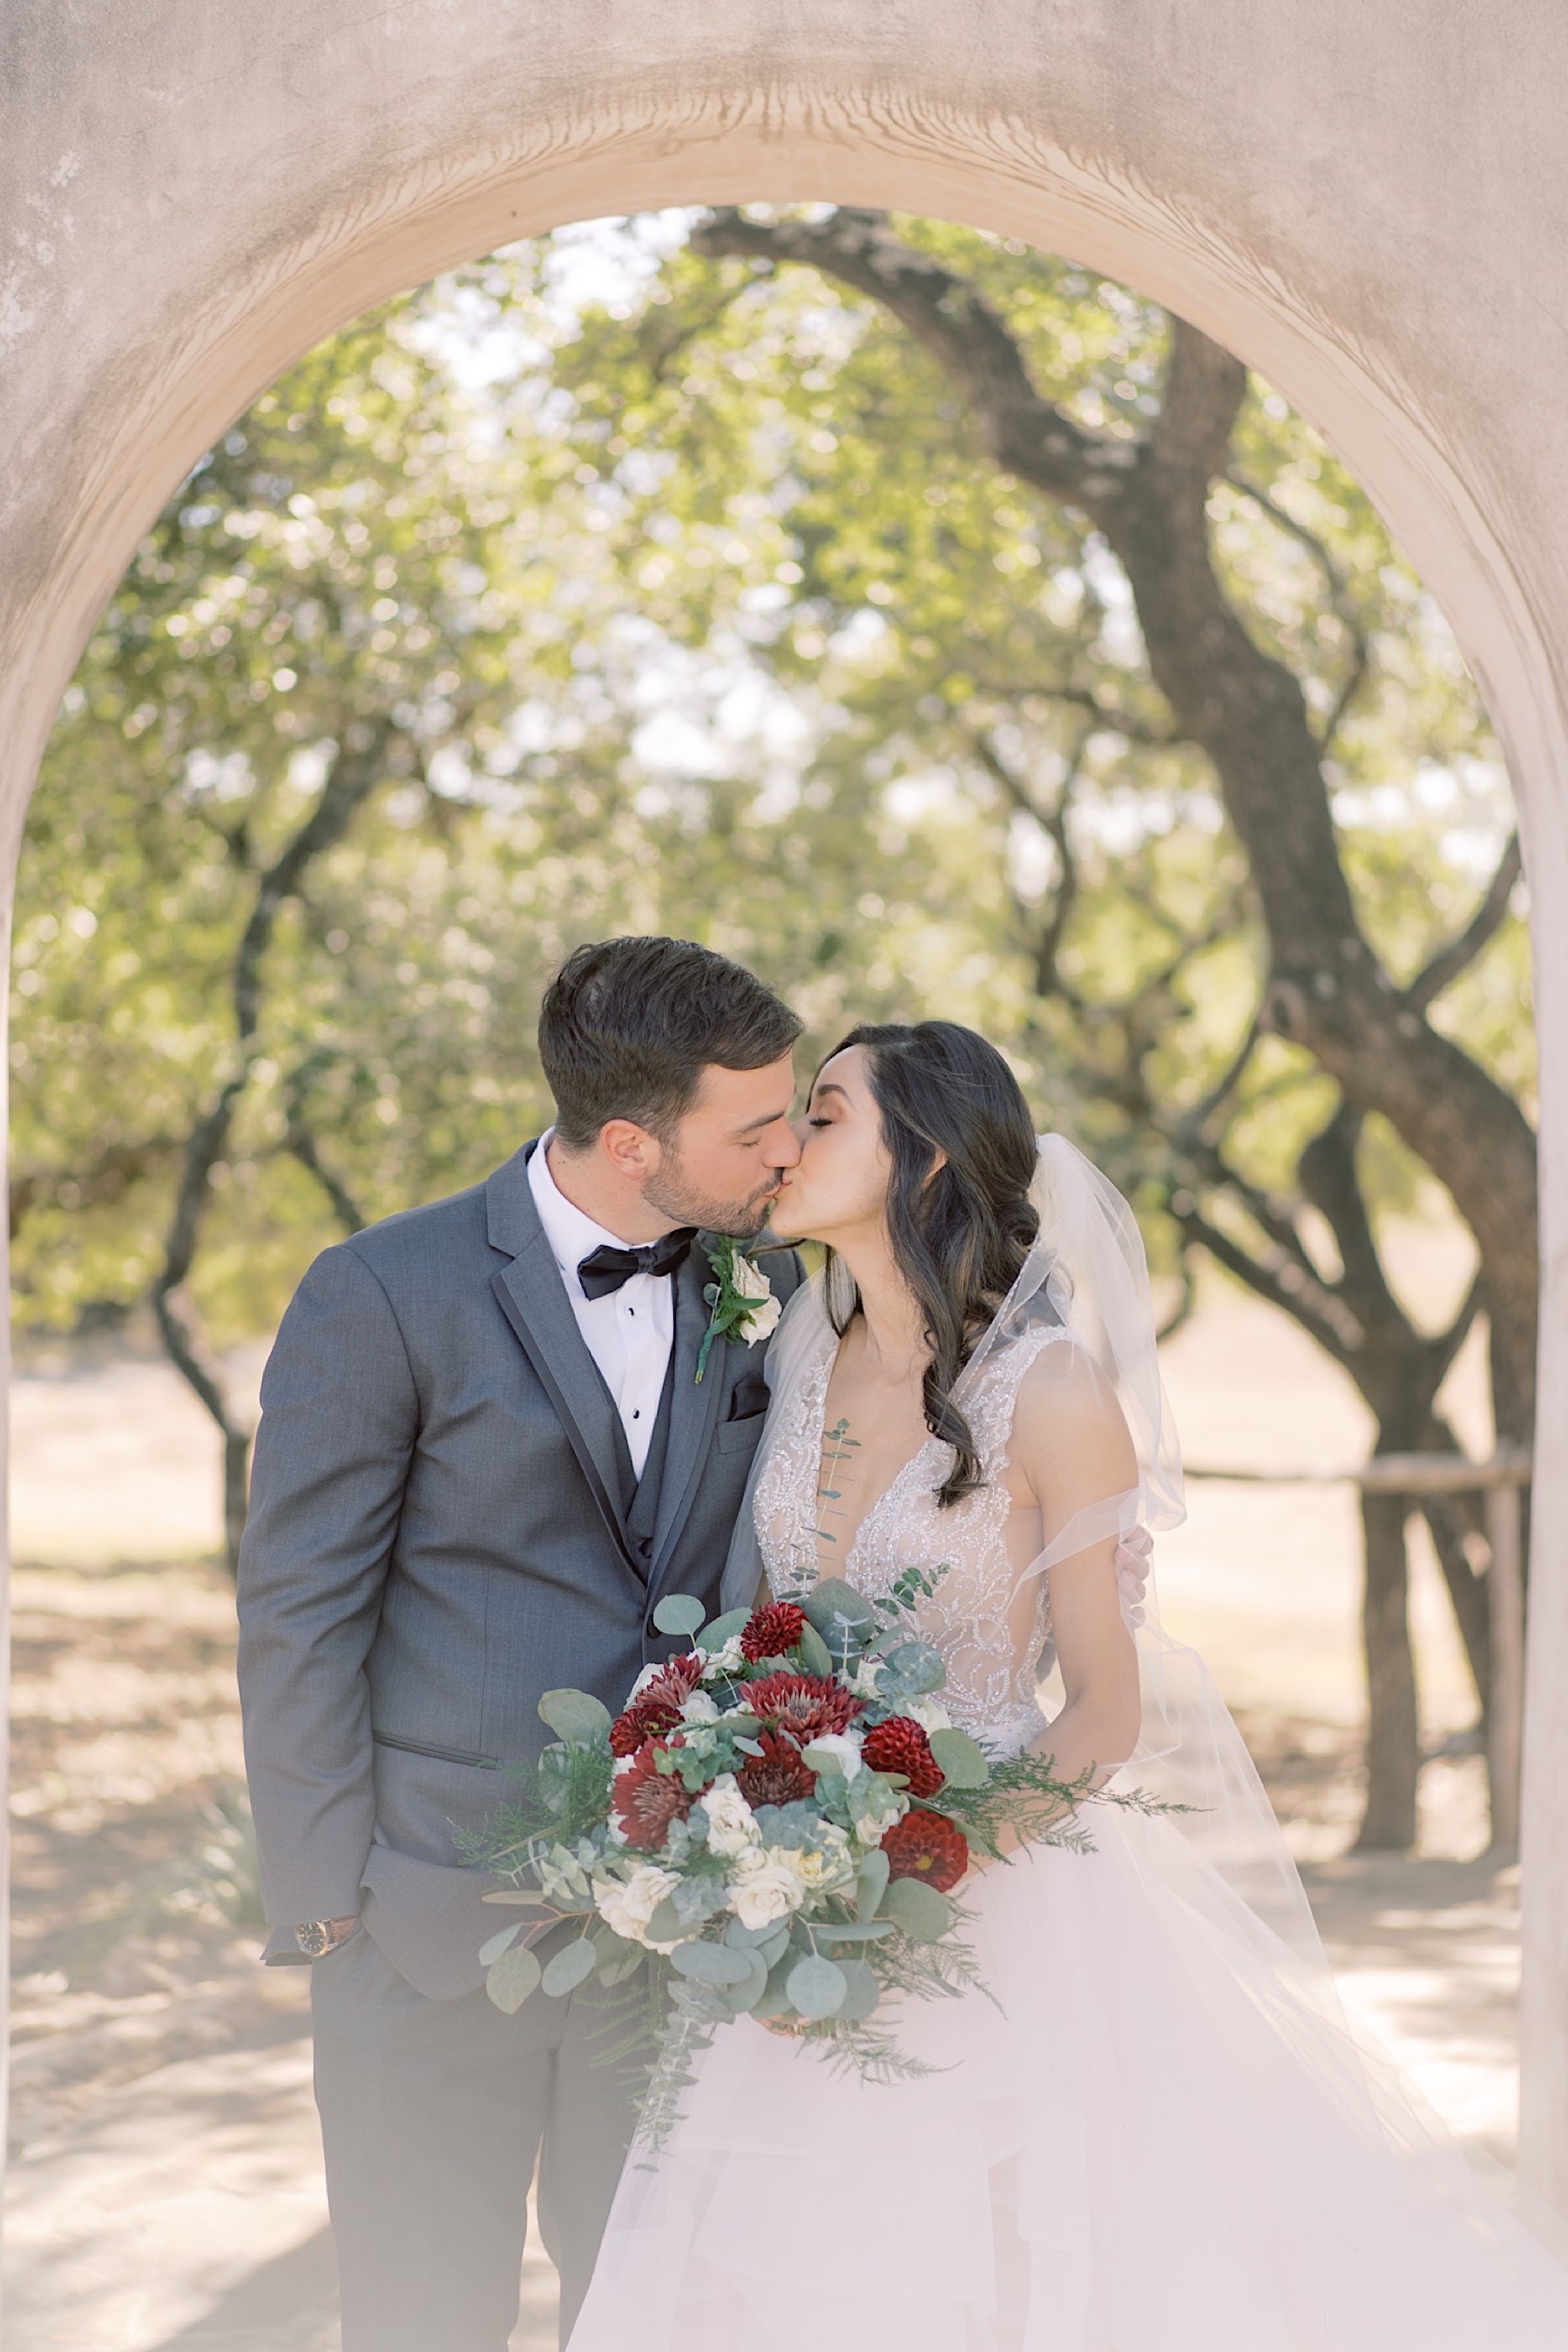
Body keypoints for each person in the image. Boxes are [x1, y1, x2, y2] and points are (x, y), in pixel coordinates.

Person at [567, 1018, 1568, 2351]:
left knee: (1004, 2271)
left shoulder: (1051, 1391)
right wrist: (763, 1837)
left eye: (824, 1113)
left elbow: (1104, 1708)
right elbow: (766, 1632)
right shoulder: (799, 1353)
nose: (786, 1145)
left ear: (921, 1161)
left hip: (989, 1890)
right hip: (799, 1899)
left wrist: (910, 1858)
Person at [235, 936, 807, 2352]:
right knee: (423, 2321)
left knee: (654, 2319)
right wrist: (325, 1911)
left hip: (671, 1946)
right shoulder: (384, 1291)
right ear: (632, 1142)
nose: (790, 1151)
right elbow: (299, 1607)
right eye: (756, 1127)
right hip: (426, 1931)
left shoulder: (769, 1288)